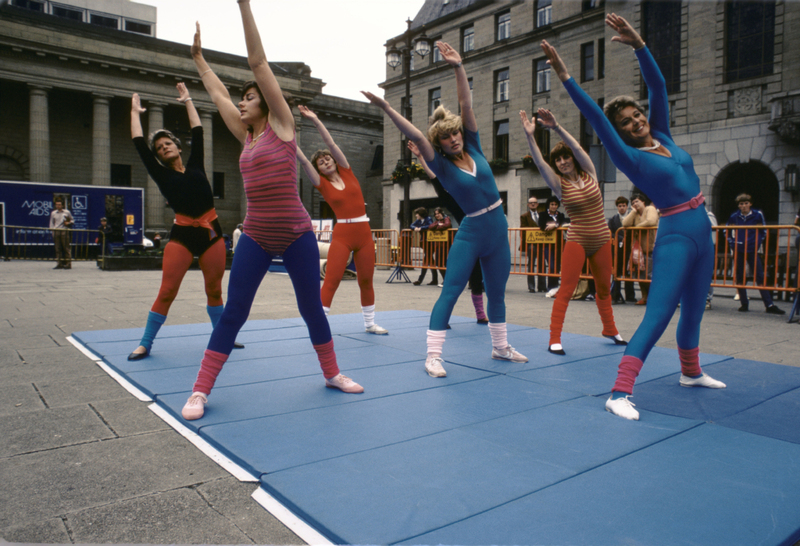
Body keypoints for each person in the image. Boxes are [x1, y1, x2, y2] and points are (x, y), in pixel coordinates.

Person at [542, 13, 725, 421]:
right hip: (676, 233)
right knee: (659, 313)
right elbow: (595, 118)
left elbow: (659, 86)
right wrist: (567, 76)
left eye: (636, 114)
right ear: (621, 133)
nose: (636, 120)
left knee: (694, 308)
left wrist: (640, 44)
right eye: (626, 122)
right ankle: (619, 391)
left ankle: (691, 372)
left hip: (702, 230)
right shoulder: (631, 157)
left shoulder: (663, 136)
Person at [181, 12, 362, 420]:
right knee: (234, 312)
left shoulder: (282, 126)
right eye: (241, 99)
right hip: (257, 236)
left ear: (263, 102)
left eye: (247, 97)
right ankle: (200, 390)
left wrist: (244, 6)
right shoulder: (245, 135)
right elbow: (218, 96)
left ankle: (332, 373)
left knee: (311, 308)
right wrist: (199, 61)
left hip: (296, 233)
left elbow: (259, 64)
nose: (241, 103)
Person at [363, 40, 527, 379]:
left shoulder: (475, 145)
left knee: (496, 293)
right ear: (438, 143)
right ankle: (433, 356)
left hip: (498, 229)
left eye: (455, 133)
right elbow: (414, 135)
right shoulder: (441, 166)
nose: (454, 138)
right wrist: (387, 108)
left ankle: (500, 347)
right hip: (472, 232)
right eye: (447, 137)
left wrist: (458, 66)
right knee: (451, 291)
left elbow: (466, 103)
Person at [129, 83, 242, 361]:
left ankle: (222, 337)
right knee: (167, 290)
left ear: (178, 148)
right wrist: (134, 113)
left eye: (168, 143)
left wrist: (188, 99)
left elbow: (198, 131)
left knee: (214, 289)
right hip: (181, 235)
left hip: (211, 234)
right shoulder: (160, 174)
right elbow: (138, 144)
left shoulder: (195, 165)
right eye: (159, 147)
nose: (164, 147)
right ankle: (145, 343)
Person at [520, 108, 625, 355]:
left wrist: (556, 127)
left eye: (565, 157)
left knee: (603, 288)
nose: (563, 162)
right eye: (558, 160)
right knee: (566, 288)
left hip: (601, 239)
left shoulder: (590, 172)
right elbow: (539, 161)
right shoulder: (559, 185)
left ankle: (610, 329)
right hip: (577, 240)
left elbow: (578, 148)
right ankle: (554, 338)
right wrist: (530, 137)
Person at [296, 104, 388, 334]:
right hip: (343, 235)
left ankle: (369, 323)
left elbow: (332, 145)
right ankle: (318, 323)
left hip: (364, 234)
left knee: (366, 280)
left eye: (327, 159)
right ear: (319, 169)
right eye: (321, 162)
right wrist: (290, 143)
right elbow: (305, 163)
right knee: (332, 280)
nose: (326, 162)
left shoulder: (347, 169)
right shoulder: (322, 184)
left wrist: (316, 120)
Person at [409, 140, 489, 324]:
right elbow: (435, 180)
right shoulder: (453, 201)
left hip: (485, 239)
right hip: (467, 242)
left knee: (478, 280)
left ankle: (480, 314)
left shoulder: (476, 189)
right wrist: (421, 157)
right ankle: (443, 316)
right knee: (455, 280)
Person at [726, 194, 785, 315]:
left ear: (750, 204)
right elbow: (726, 230)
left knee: (759, 276)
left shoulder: (757, 215)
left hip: (752, 249)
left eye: (746, 203)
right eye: (741, 204)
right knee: (740, 276)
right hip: (739, 248)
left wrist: (757, 243)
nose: (743, 206)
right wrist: (732, 243)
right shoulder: (734, 216)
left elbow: (763, 231)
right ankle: (744, 303)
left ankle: (769, 304)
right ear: (738, 205)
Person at [622, 193, 659, 305]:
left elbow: (651, 221)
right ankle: (645, 297)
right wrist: (633, 211)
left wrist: (635, 228)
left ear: (643, 201)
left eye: (637, 201)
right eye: (633, 203)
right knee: (640, 275)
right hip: (638, 251)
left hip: (650, 248)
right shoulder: (635, 213)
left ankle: (654, 298)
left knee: (649, 276)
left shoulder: (650, 209)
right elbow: (624, 223)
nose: (635, 204)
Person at [538, 195, 568, 296]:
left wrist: (554, 225)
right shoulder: (542, 214)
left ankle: (555, 287)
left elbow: (564, 223)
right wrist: (555, 225)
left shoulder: (561, 215)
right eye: (552, 204)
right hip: (547, 244)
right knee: (551, 265)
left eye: (555, 204)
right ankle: (551, 287)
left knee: (557, 266)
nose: (554, 206)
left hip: (559, 244)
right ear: (548, 205)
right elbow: (542, 225)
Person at [608, 196, 635, 304]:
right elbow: (611, 232)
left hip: (629, 248)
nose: (622, 208)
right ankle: (615, 294)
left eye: (624, 205)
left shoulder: (632, 217)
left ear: (627, 206)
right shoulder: (613, 219)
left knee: (629, 271)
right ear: (617, 207)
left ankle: (630, 295)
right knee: (617, 271)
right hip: (617, 249)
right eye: (620, 206)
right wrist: (620, 238)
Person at [520, 196, 546, 293]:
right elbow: (523, 230)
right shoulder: (524, 216)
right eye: (531, 203)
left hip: (541, 243)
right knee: (531, 263)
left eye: (534, 202)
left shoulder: (542, 215)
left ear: (538, 204)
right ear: (528, 205)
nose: (533, 204)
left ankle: (542, 286)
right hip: (531, 243)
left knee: (542, 264)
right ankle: (531, 286)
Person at [410, 207, 435, 285]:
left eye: (417, 214)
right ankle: (435, 279)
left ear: (421, 214)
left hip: (431, 242)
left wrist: (420, 228)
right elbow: (411, 225)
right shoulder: (419, 220)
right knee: (430, 261)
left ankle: (420, 280)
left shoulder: (428, 219)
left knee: (426, 260)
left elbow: (430, 226)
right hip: (424, 242)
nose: (416, 215)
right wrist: (415, 228)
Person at [428, 207, 452, 287]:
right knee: (439, 262)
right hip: (439, 244)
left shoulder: (446, 218)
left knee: (443, 263)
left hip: (445, 244)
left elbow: (447, 225)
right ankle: (446, 280)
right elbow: (430, 227)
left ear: (442, 213)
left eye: (438, 213)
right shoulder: (437, 221)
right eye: (435, 214)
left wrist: (437, 227)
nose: (437, 215)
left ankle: (447, 280)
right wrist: (438, 224)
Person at [50, 196, 73, 269]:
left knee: (66, 248)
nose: (58, 206)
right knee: (58, 248)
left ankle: (68, 263)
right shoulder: (53, 213)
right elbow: (51, 223)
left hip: (64, 231)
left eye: (59, 204)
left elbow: (72, 220)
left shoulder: (67, 212)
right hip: (56, 231)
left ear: (62, 205)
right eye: (57, 204)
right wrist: (52, 231)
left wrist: (68, 223)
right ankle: (59, 263)